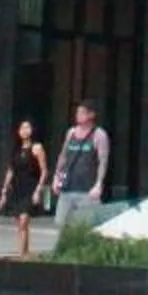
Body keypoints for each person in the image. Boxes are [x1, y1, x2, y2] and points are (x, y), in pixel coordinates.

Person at [50, 102, 110, 242]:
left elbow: (103, 161)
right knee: (62, 226)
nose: (78, 115)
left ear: (91, 115)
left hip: (87, 190)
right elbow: (63, 155)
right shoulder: (71, 132)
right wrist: (56, 177)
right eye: (78, 112)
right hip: (68, 186)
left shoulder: (99, 135)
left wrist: (99, 184)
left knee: (86, 227)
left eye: (82, 112)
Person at [0, 118, 50, 258]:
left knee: (24, 220)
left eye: (27, 127)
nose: (24, 131)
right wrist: (4, 191)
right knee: (20, 224)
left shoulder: (37, 148)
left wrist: (39, 190)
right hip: (17, 188)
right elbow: (10, 170)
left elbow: (44, 170)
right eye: (22, 128)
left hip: (31, 187)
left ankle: (21, 253)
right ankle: (24, 252)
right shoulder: (15, 149)